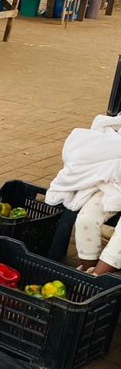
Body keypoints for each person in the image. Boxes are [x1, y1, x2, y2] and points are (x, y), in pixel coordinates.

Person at [46, 113, 121, 276]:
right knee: (86, 219)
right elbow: (107, 131)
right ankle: (87, 272)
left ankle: (95, 279)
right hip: (114, 184)